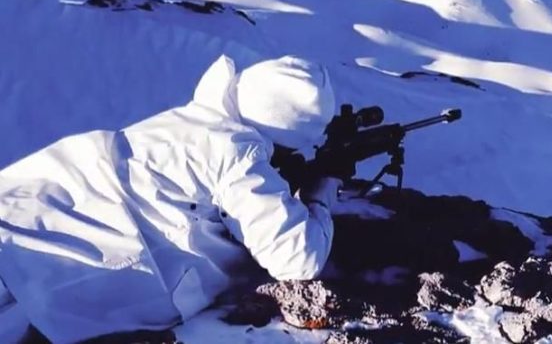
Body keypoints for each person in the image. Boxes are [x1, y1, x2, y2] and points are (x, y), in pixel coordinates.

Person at [0, 55, 344, 343]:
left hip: (26, 214)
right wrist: (321, 195)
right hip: (52, 267)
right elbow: (298, 258)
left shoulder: (191, 120)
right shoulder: (236, 151)